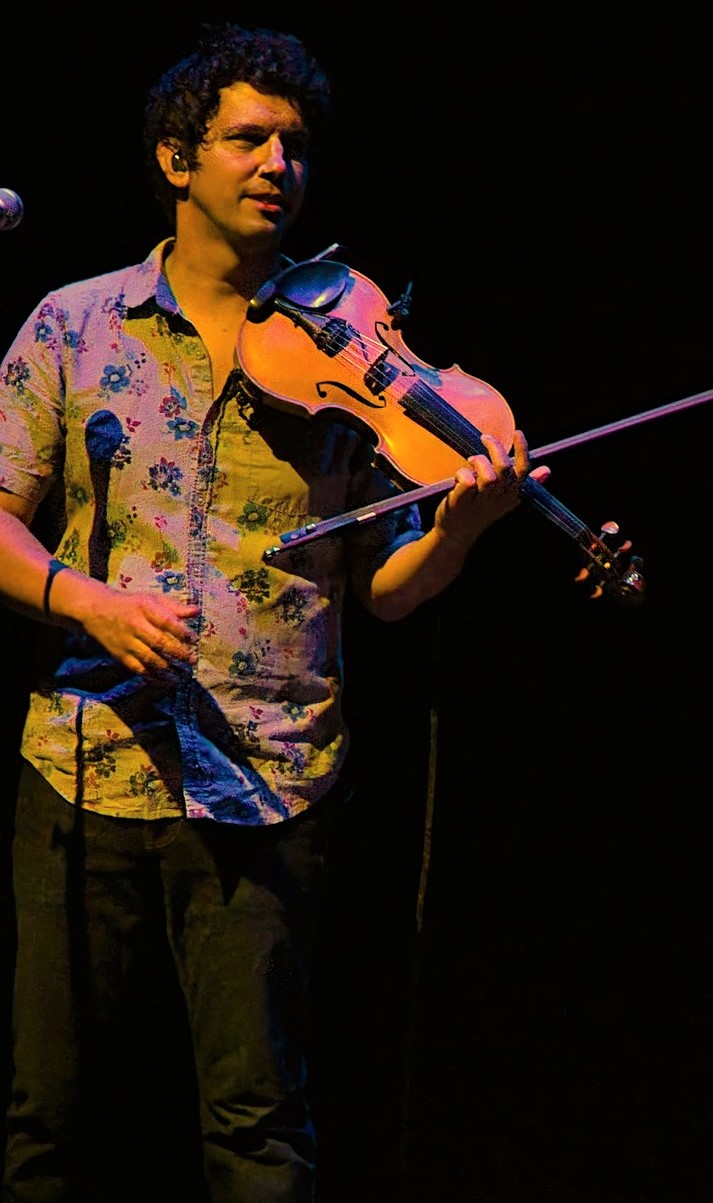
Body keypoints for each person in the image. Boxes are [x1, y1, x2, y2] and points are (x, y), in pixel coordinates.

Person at [0, 24, 548, 1199]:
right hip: (86, 767)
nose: (277, 165)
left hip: (274, 775)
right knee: (51, 1118)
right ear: (174, 158)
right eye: (247, 139)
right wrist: (84, 599)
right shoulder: (74, 323)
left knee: (259, 1128)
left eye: (294, 145)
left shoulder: (345, 347)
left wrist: (458, 528)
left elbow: (384, 594)